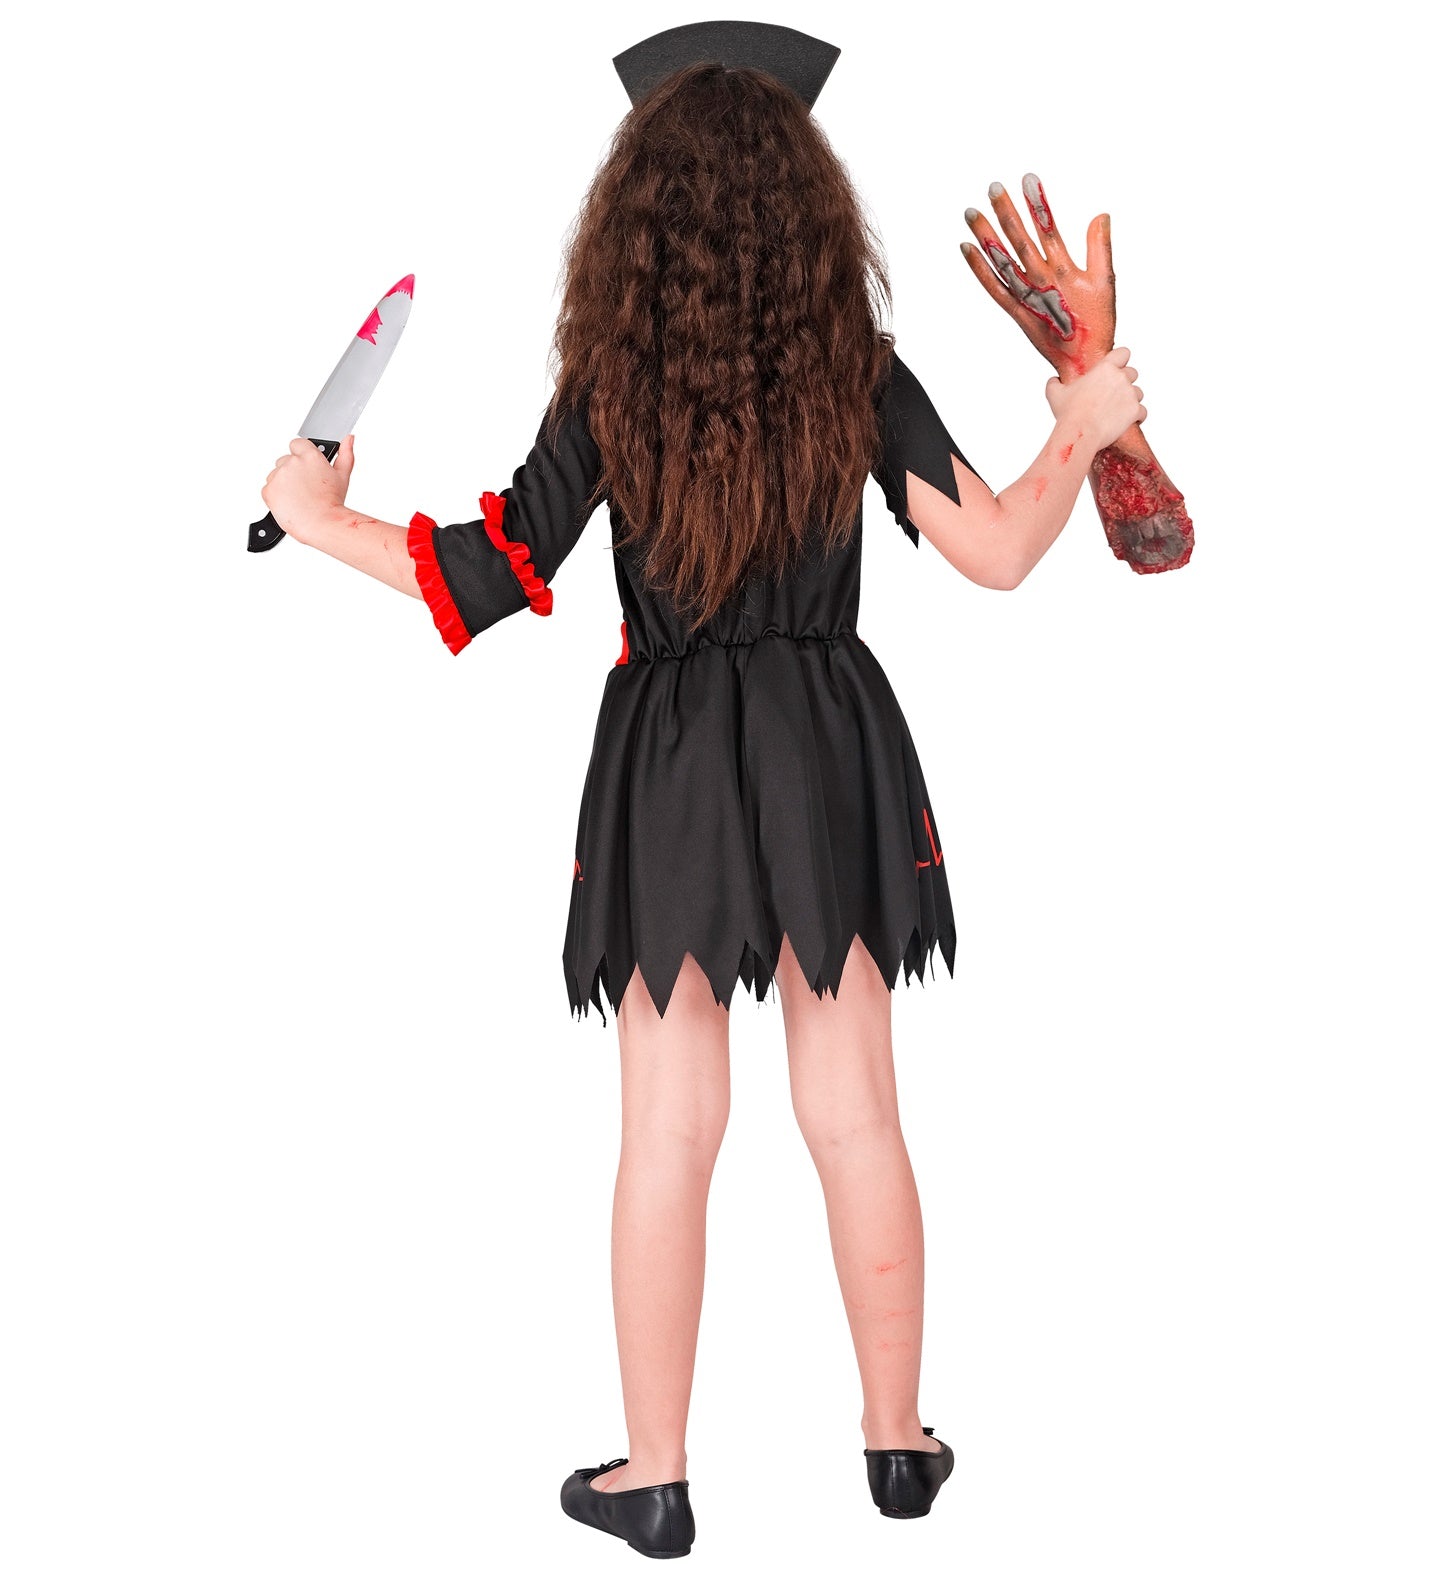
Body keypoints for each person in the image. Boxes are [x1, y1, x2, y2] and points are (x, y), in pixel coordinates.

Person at [259, 54, 1143, 1560]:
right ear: (806, 206)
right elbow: (998, 551)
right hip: (825, 743)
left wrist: (315, 512)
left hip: (667, 756)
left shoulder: (614, 377)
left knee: (669, 1128)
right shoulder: (851, 363)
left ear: (634, 216)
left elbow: (484, 572)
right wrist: (1081, 418)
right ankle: (895, 1445)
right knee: (855, 1111)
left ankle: (654, 1477)